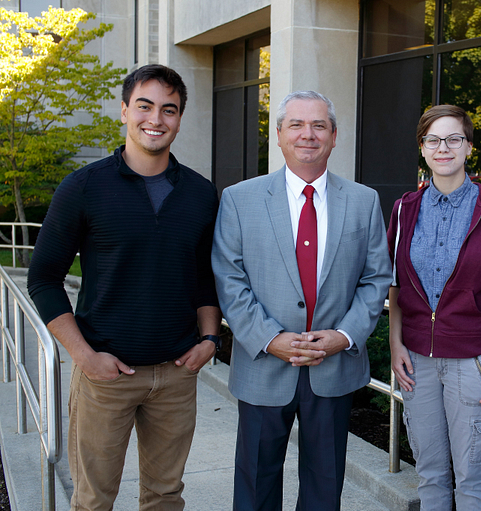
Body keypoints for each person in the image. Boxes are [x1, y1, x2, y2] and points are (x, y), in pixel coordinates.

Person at [27, 64, 222, 510]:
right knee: (93, 500)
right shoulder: (84, 186)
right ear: (123, 111)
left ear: (179, 118)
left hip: (176, 374)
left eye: (169, 109)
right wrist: (84, 357)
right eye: (145, 105)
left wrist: (210, 338)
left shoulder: (200, 193)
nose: (156, 118)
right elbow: (43, 278)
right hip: (105, 374)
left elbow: (205, 277)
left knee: (165, 496)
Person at [211, 90, 391, 511]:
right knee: (255, 488)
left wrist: (344, 336)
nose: (307, 134)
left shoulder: (363, 202)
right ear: (279, 135)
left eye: (318, 126)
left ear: (333, 136)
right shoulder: (240, 199)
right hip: (263, 367)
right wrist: (270, 338)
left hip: (333, 370)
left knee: (324, 491)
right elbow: (228, 278)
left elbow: (376, 278)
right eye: (296, 124)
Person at [387, 104, 481, 510]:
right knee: (429, 472)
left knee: (471, 475)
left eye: (453, 139)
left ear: (468, 147)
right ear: (423, 149)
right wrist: (395, 342)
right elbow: (395, 283)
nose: (442, 147)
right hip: (416, 361)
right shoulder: (404, 209)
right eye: (433, 140)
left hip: (474, 362)